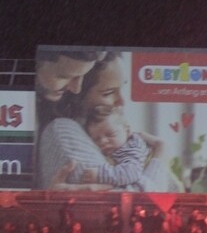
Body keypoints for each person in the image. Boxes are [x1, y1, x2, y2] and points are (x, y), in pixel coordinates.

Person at [37, 52, 166, 190]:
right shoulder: (63, 130)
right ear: (78, 94)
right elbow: (138, 200)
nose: (122, 101)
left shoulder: (120, 136)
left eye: (122, 88)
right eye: (108, 93)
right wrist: (159, 155)